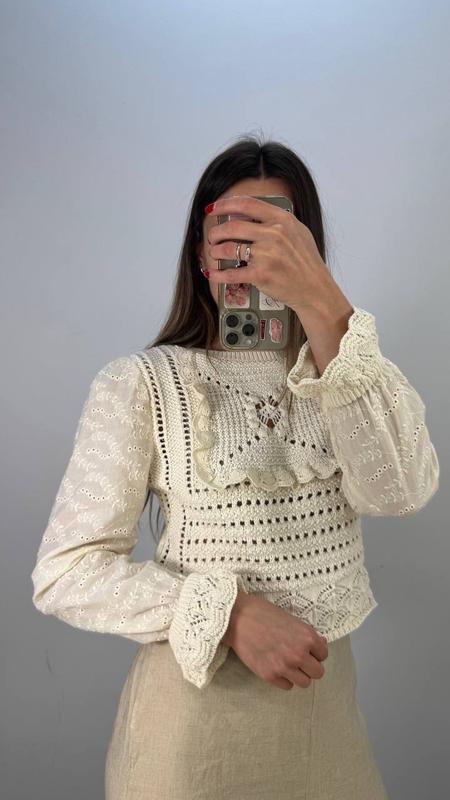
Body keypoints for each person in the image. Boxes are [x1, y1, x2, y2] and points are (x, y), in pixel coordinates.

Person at [30, 135, 440, 799]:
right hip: (189, 735)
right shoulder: (143, 383)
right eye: (234, 234)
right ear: (201, 253)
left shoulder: (351, 379)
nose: (253, 253)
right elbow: (66, 572)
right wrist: (229, 613)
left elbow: (401, 494)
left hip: (327, 730)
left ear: (308, 248)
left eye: (276, 232)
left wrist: (328, 308)